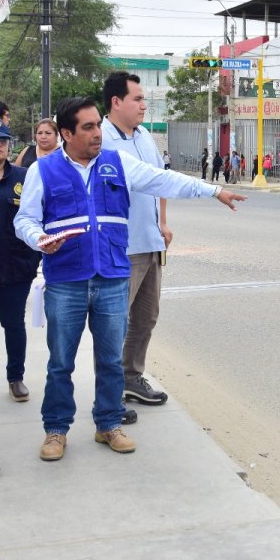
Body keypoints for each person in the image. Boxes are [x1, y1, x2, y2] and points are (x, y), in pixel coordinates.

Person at [14, 96, 245, 463]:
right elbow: (24, 220)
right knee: (61, 362)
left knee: (109, 360)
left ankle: (108, 424)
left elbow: (163, 180)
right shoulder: (43, 171)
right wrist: (39, 239)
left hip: (111, 278)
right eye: (87, 127)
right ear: (66, 133)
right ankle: (56, 430)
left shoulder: (117, 162)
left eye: (97, 125)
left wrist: (213, 190)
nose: (97, 134)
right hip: (67, 281)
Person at [98, 71, 168, 421]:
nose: (144, 105)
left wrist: (164, 224)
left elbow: (159, 183)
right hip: (120, 249)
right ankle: (108, 394)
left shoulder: (145, 137)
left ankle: (131, 378)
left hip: (151, 244)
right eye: (138, 99)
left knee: (146, 318)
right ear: (116, 102)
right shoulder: (102, 140)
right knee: (115, 324)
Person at [0, 116, 41, 401]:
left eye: (2, 140)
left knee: (13, 324)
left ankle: (16, 377)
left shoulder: (23, 178)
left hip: (15, 268)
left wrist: (33, 258)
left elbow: (40, 218)